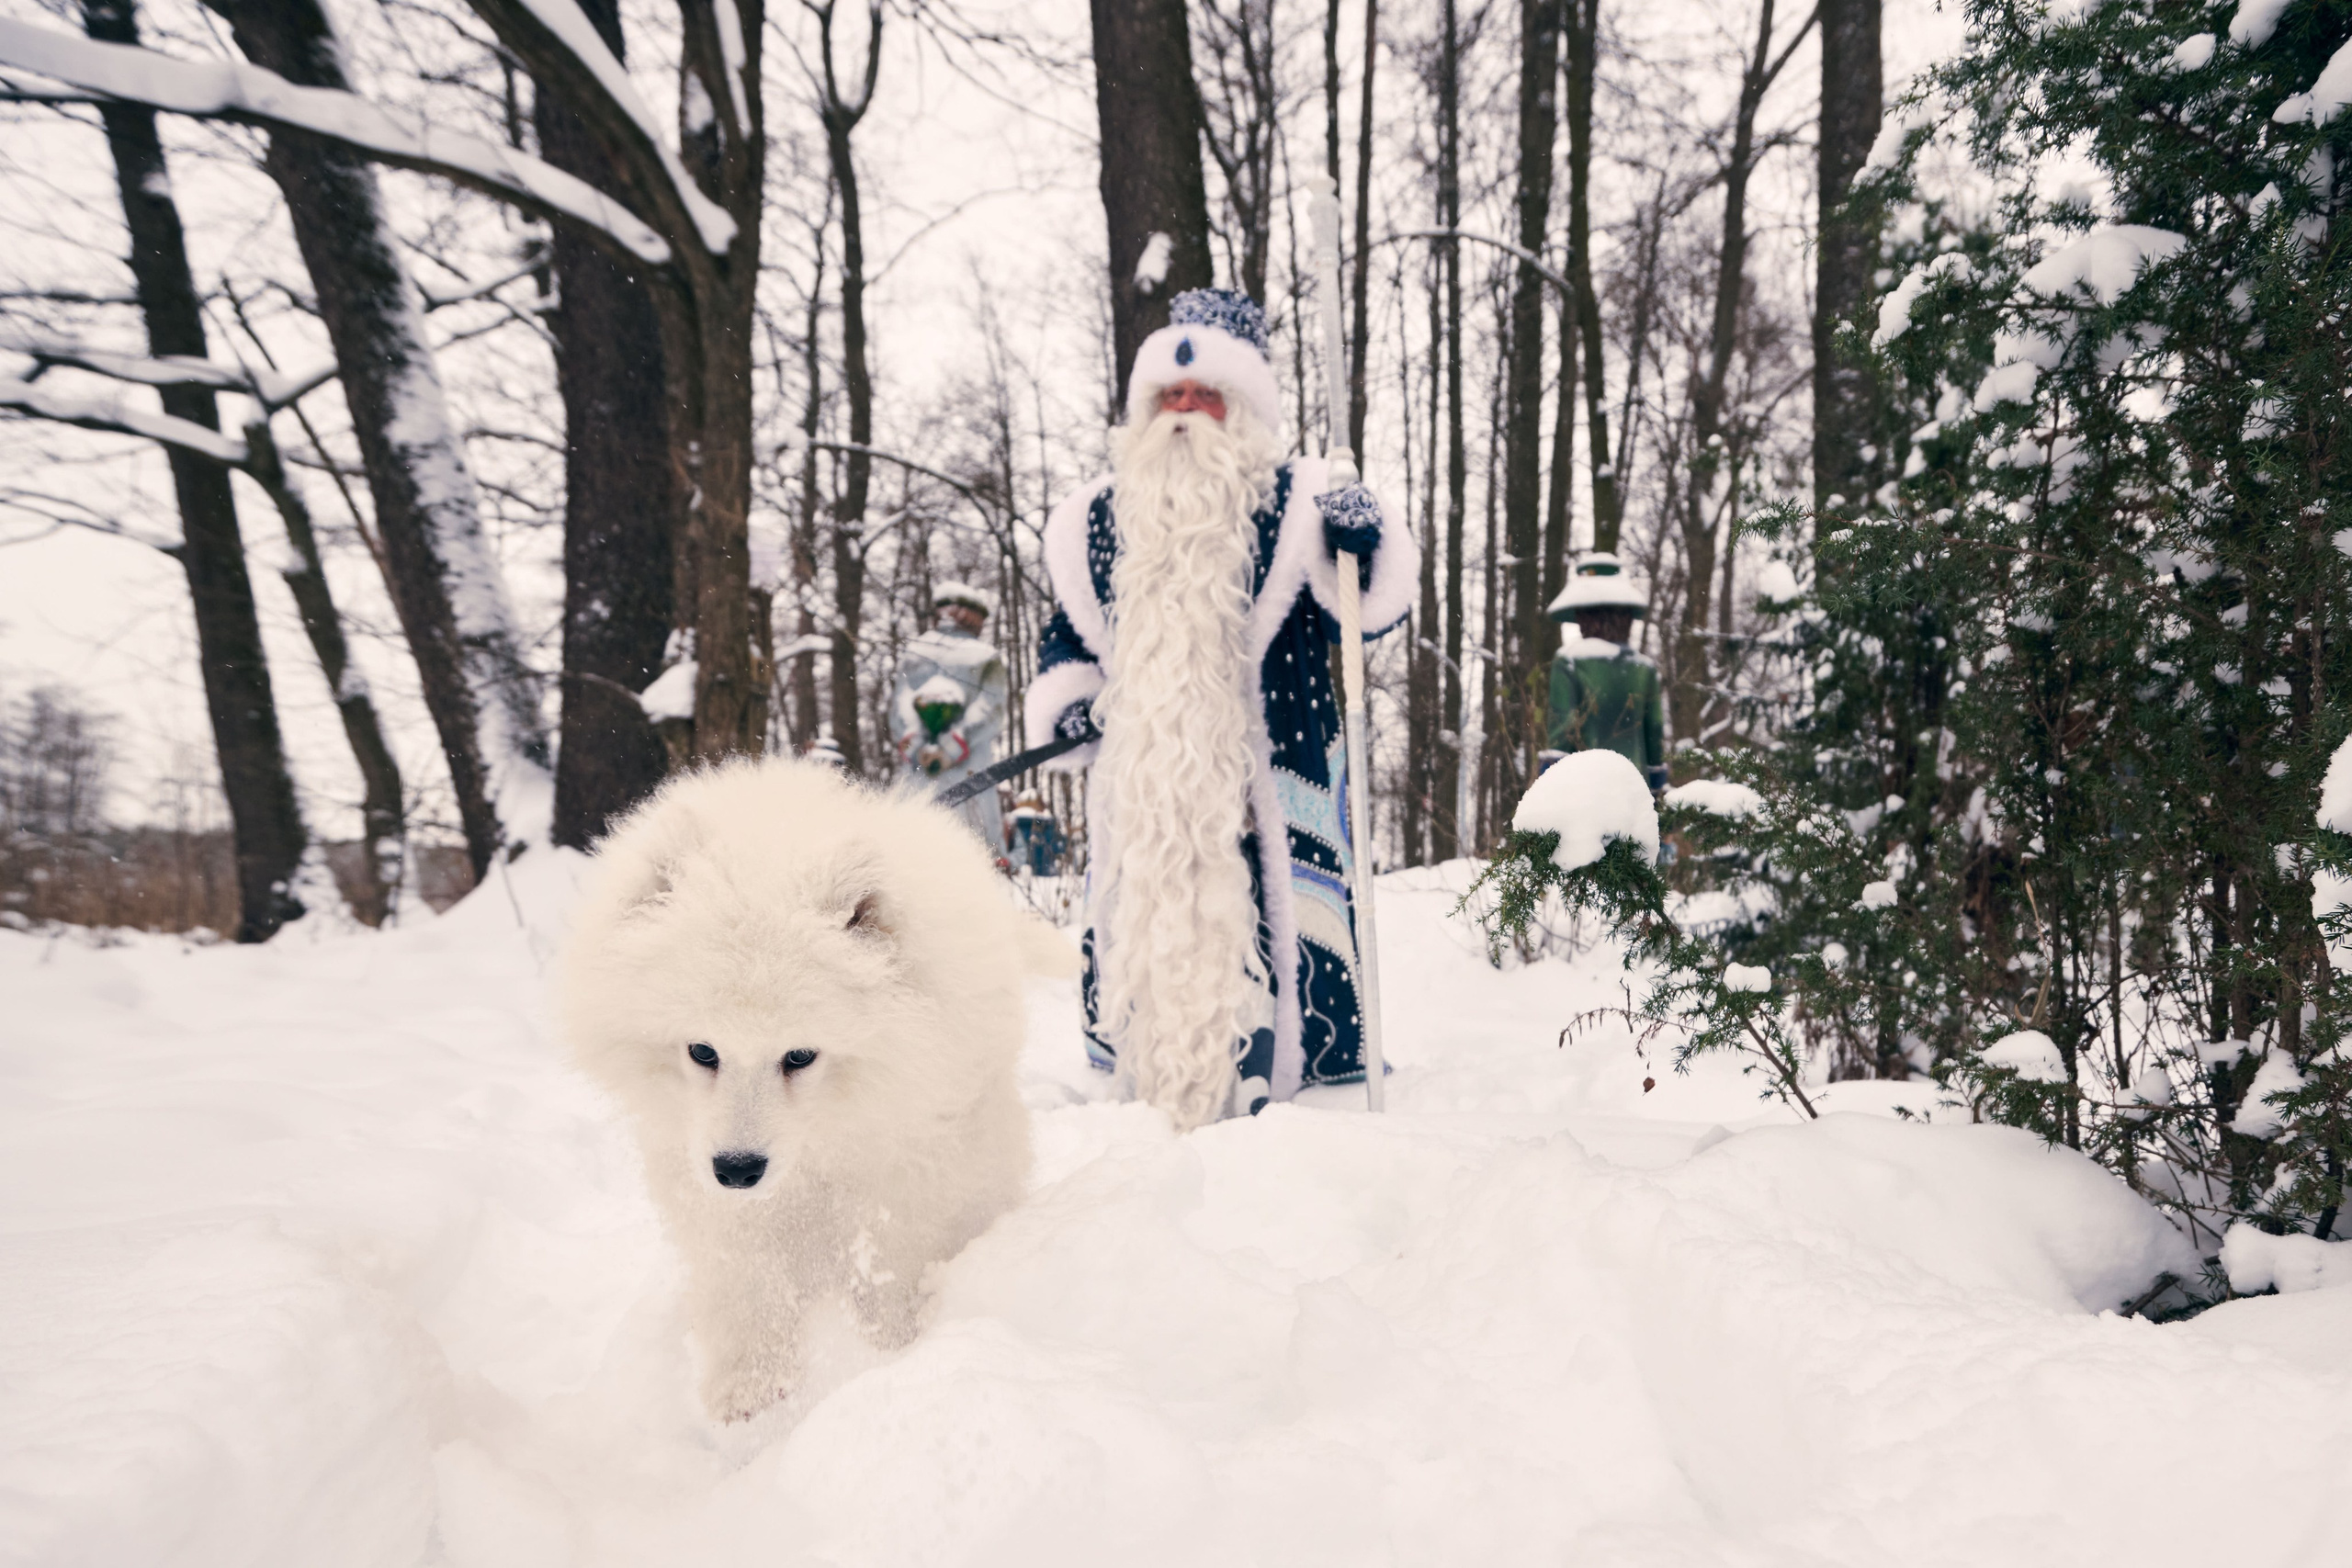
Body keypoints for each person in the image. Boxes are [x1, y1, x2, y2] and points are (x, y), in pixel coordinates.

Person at [1026, 288, 1419, 1128]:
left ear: (1242, 408)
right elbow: (1072, 637)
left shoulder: (1300, 498)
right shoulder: (1097, 520)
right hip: (1146, 801)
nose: (1184, 413)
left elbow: (1368, 610)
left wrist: (1361, 540)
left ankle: (1301, 1086)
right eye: (1169, 397)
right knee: (1144, 929)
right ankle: (1144, 1079)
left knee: (1287, 947)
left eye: (1205, 396)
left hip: (1269, 785)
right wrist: (1071, 704)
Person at [888, 581, 1009, 850]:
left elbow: (900, 710)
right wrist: (953, 746)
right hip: (970, 768)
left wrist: (917, 746)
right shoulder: (985, 656)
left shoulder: (915, 651)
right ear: (966, 613)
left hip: (919, 771)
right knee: (977, 850)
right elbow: (992, 711)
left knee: (910, 849)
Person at [1544, 553, 1668, 793]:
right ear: (1626, 617)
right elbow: (1655, 733)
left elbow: (1563, 730)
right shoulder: (1644, 668)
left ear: (1585, 617)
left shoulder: (1569, 661)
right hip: (1635, 788)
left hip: (1584, 790)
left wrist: (1548, 782)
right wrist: (1655, 786)